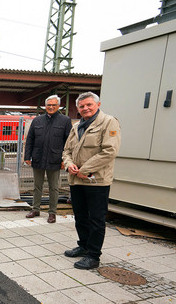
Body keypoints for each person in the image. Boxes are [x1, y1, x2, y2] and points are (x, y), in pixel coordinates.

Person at [62, 92, 121, 270]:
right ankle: (83, 245)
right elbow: (66, 151)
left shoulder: (109, 122)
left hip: (96, 180)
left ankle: (94, 256)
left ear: (98, 104)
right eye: (82, 106)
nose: (85, 108)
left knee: (96, 219)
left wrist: (84, 170)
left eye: (89, 105)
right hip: (76, 180)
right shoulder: (76, 126)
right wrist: (69, 165)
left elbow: (109, 151)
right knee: (80, 216)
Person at [24, 95, 72, 223]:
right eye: (48, 105)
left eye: (53, 105)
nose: (51, 107)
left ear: (58, 106)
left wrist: (64, 160)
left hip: (55, 159)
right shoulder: (37, 121)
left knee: (54, 187)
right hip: (38, 157)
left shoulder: (65, 121)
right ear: (45, 106)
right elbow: (30, 140)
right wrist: (27, 156)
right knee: (37, 186)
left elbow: (68, 142)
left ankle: (52, 212)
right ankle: (35, 209)